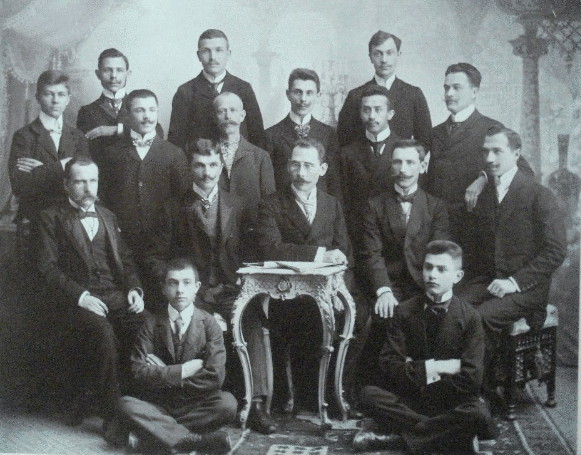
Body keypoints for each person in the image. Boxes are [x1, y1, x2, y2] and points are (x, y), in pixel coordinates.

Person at [146, 142, 277, 434]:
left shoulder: (238, 204)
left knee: (251, 320)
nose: (207, 173)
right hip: (192, 296)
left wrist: (246, 283)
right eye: (200, 166)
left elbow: (252, 252)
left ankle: (255, 404)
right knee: (200, 325)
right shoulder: (173, 208)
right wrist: (180, 286)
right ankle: (199, 403)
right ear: (190, 168)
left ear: (221, 167)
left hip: (232, 291)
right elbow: (154, 257)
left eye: (213, 165)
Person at [355, 241, 495, 454]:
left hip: (450, 401)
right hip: (412, 399)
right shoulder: (403, 311)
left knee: (478, 413)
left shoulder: (471, 317)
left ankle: (395, 440)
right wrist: (438, 368)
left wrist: (414, 369)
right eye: (428, 267)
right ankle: (450, 435)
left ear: (457, 277)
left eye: (441, 269)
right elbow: (389, 366)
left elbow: (472, 380)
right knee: (368, 395)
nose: (432, 275)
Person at [37, 156, 146, 429]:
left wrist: (134, 289)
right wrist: (82, 297)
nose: (88, 188)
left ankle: (146, 407)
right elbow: (47, 268)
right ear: (66, 185)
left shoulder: (108, 215)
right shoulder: (50, 217)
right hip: (75, 300)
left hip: (114, 294)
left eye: (93, 181)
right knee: (103, 333)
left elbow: (127, 260)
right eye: (80, 181)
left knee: (147, 326)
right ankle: (114, 415)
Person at [256, 138, 364, 412]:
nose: (301, 172)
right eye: (295, 164)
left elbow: (344, 254)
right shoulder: (271, 204)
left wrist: (341, 290)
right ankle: (294, 397)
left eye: (308, 165)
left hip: (329, 291)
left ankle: (337, 391)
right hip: (287, 293)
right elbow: (272, 249)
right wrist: (319, 254)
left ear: (323, 169)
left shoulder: (332, 204)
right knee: (303, 321)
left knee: (361, 318)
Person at [458, 126, 566, 366]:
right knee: (453, 309)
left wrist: (513, 282)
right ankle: (452, 378)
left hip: (527, 288)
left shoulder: (539, 195)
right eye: (486, 152)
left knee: (480, 317)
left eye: (497, 151)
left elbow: (556, 250)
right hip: (488, 279)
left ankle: (479, 390)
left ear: (517, 154)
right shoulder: (484, 194)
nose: (489, 159)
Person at [115, 258, 237, 454]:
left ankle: (155, 438)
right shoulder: (151, 323)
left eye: (186, 283)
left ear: (196, 287)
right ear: (164, 288)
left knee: (227, 404)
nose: (180, 290)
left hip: (194, 404)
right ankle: (194, 440)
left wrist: (165, 372)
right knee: (125, 404)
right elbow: (138, 372)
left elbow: (215, 376)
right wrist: (184, 371)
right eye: (173, 283)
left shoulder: (209, 324)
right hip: (158, 404)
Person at [359, 139, 449, 386]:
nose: (403, 169)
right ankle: (373, 387)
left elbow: (440, 254)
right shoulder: (374, 205)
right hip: (388, 284)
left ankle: (425, 387)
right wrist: (384, 290)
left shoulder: (436, 207)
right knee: (377, 319)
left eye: (410, 162)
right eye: (397, 162)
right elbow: (371, 254)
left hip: (424, 285)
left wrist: (430, 290)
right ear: (390, 167)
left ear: (422, 166)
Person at [99, 89, 190, 310]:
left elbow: (183, 200)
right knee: (127, 307)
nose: (147, 116)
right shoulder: (112, 154)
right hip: (123, 244)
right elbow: (105, 198)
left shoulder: (173, 154)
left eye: (152, 110)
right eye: (140, 110)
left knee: (160, 304)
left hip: (163, 247)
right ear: (127, 115)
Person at [426, 63, 533, 246]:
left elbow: (524, 172)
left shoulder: (491, 129)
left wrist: (485, 178)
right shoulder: (434, 133)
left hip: (475, 230)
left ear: (474, 92)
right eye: (446, 88)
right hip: (438, 227)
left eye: (456, 88)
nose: (449, 94)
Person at [10, 70, 89, 231]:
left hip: (72, 222)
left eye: (61, 94)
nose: (55, 100)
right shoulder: (24, 136)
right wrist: (63, 167)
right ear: (38, 97)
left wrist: (41, 171)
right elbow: (21, 186)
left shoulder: (78, 137)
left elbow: (84, 184)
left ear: (68, 99)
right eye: (48, 94)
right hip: (34, 222)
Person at [168, 29, 265, 154]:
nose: (212, 57)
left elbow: (258, 137)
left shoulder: (243, 89)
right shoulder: (185, 92)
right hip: (201, 167)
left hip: (238, 166)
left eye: (219, 50)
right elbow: (176, 142)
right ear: (198, 56)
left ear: (228, 54)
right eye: (206, 51)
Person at [337, 31, 431, 149]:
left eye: (389, 53)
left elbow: (424, 140)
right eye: (378, 54)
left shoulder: (413, 94)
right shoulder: (355, 96)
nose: (384, 60)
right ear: (370, 57)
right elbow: (344, 140)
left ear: (399, 55)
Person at [210, 91, 275, 259]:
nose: (227, 116)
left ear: (242, 115)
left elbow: (269, 203)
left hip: (251, 239)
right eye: (221, 111)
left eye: (233, 110)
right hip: (215, 239)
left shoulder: (260, 156)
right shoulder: (206, 155)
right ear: (215, 116)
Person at [341, 85, 400, 262]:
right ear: (360, 113)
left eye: (378, 110)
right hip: (358, 236)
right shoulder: (347, 153)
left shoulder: (404, 149)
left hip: (394, 235)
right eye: (366, 110)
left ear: (390, 114)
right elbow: (343, 198)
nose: (371, 116)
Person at [265, 68, 342, 200]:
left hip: (320, 211)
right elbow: (268, 184)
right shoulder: (271, 135)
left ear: (318, 96)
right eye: (298, 92)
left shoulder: (328, 134)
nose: (303, 99)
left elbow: (334, 182)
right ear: (288, 94)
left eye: (309, 93)